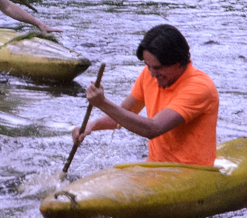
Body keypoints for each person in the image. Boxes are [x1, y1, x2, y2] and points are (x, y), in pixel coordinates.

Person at [71, 24, 217, 167]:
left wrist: (102, 103)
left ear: (178, 62)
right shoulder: (150, 74)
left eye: (157, 68)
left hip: (192, 171)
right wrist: (91, 126)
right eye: (148, 65)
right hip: (155, 167)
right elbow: (120, 117)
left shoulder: (199, 87)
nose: (152, 73)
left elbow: (153, 129)